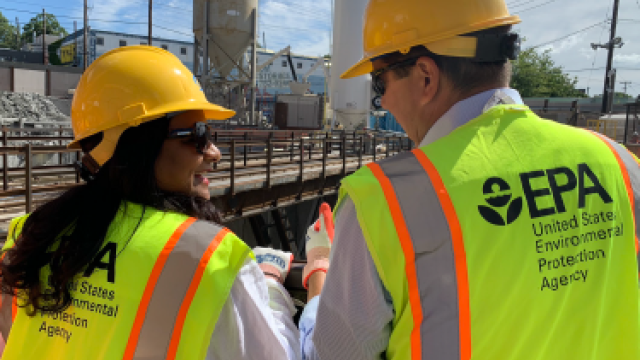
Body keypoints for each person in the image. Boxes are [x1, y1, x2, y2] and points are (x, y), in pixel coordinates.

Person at [299, 0, 640, 359]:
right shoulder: (619, 164)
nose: (382, 101)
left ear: (426, 77)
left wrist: (320, 269)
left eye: (379, 85)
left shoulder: (384, 202)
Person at [0, 46, 300, 360]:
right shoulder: (212, 260)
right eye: (196, 135)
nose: (214, 153)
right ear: (137, 145)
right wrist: (270, 284)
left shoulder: (28, 236)